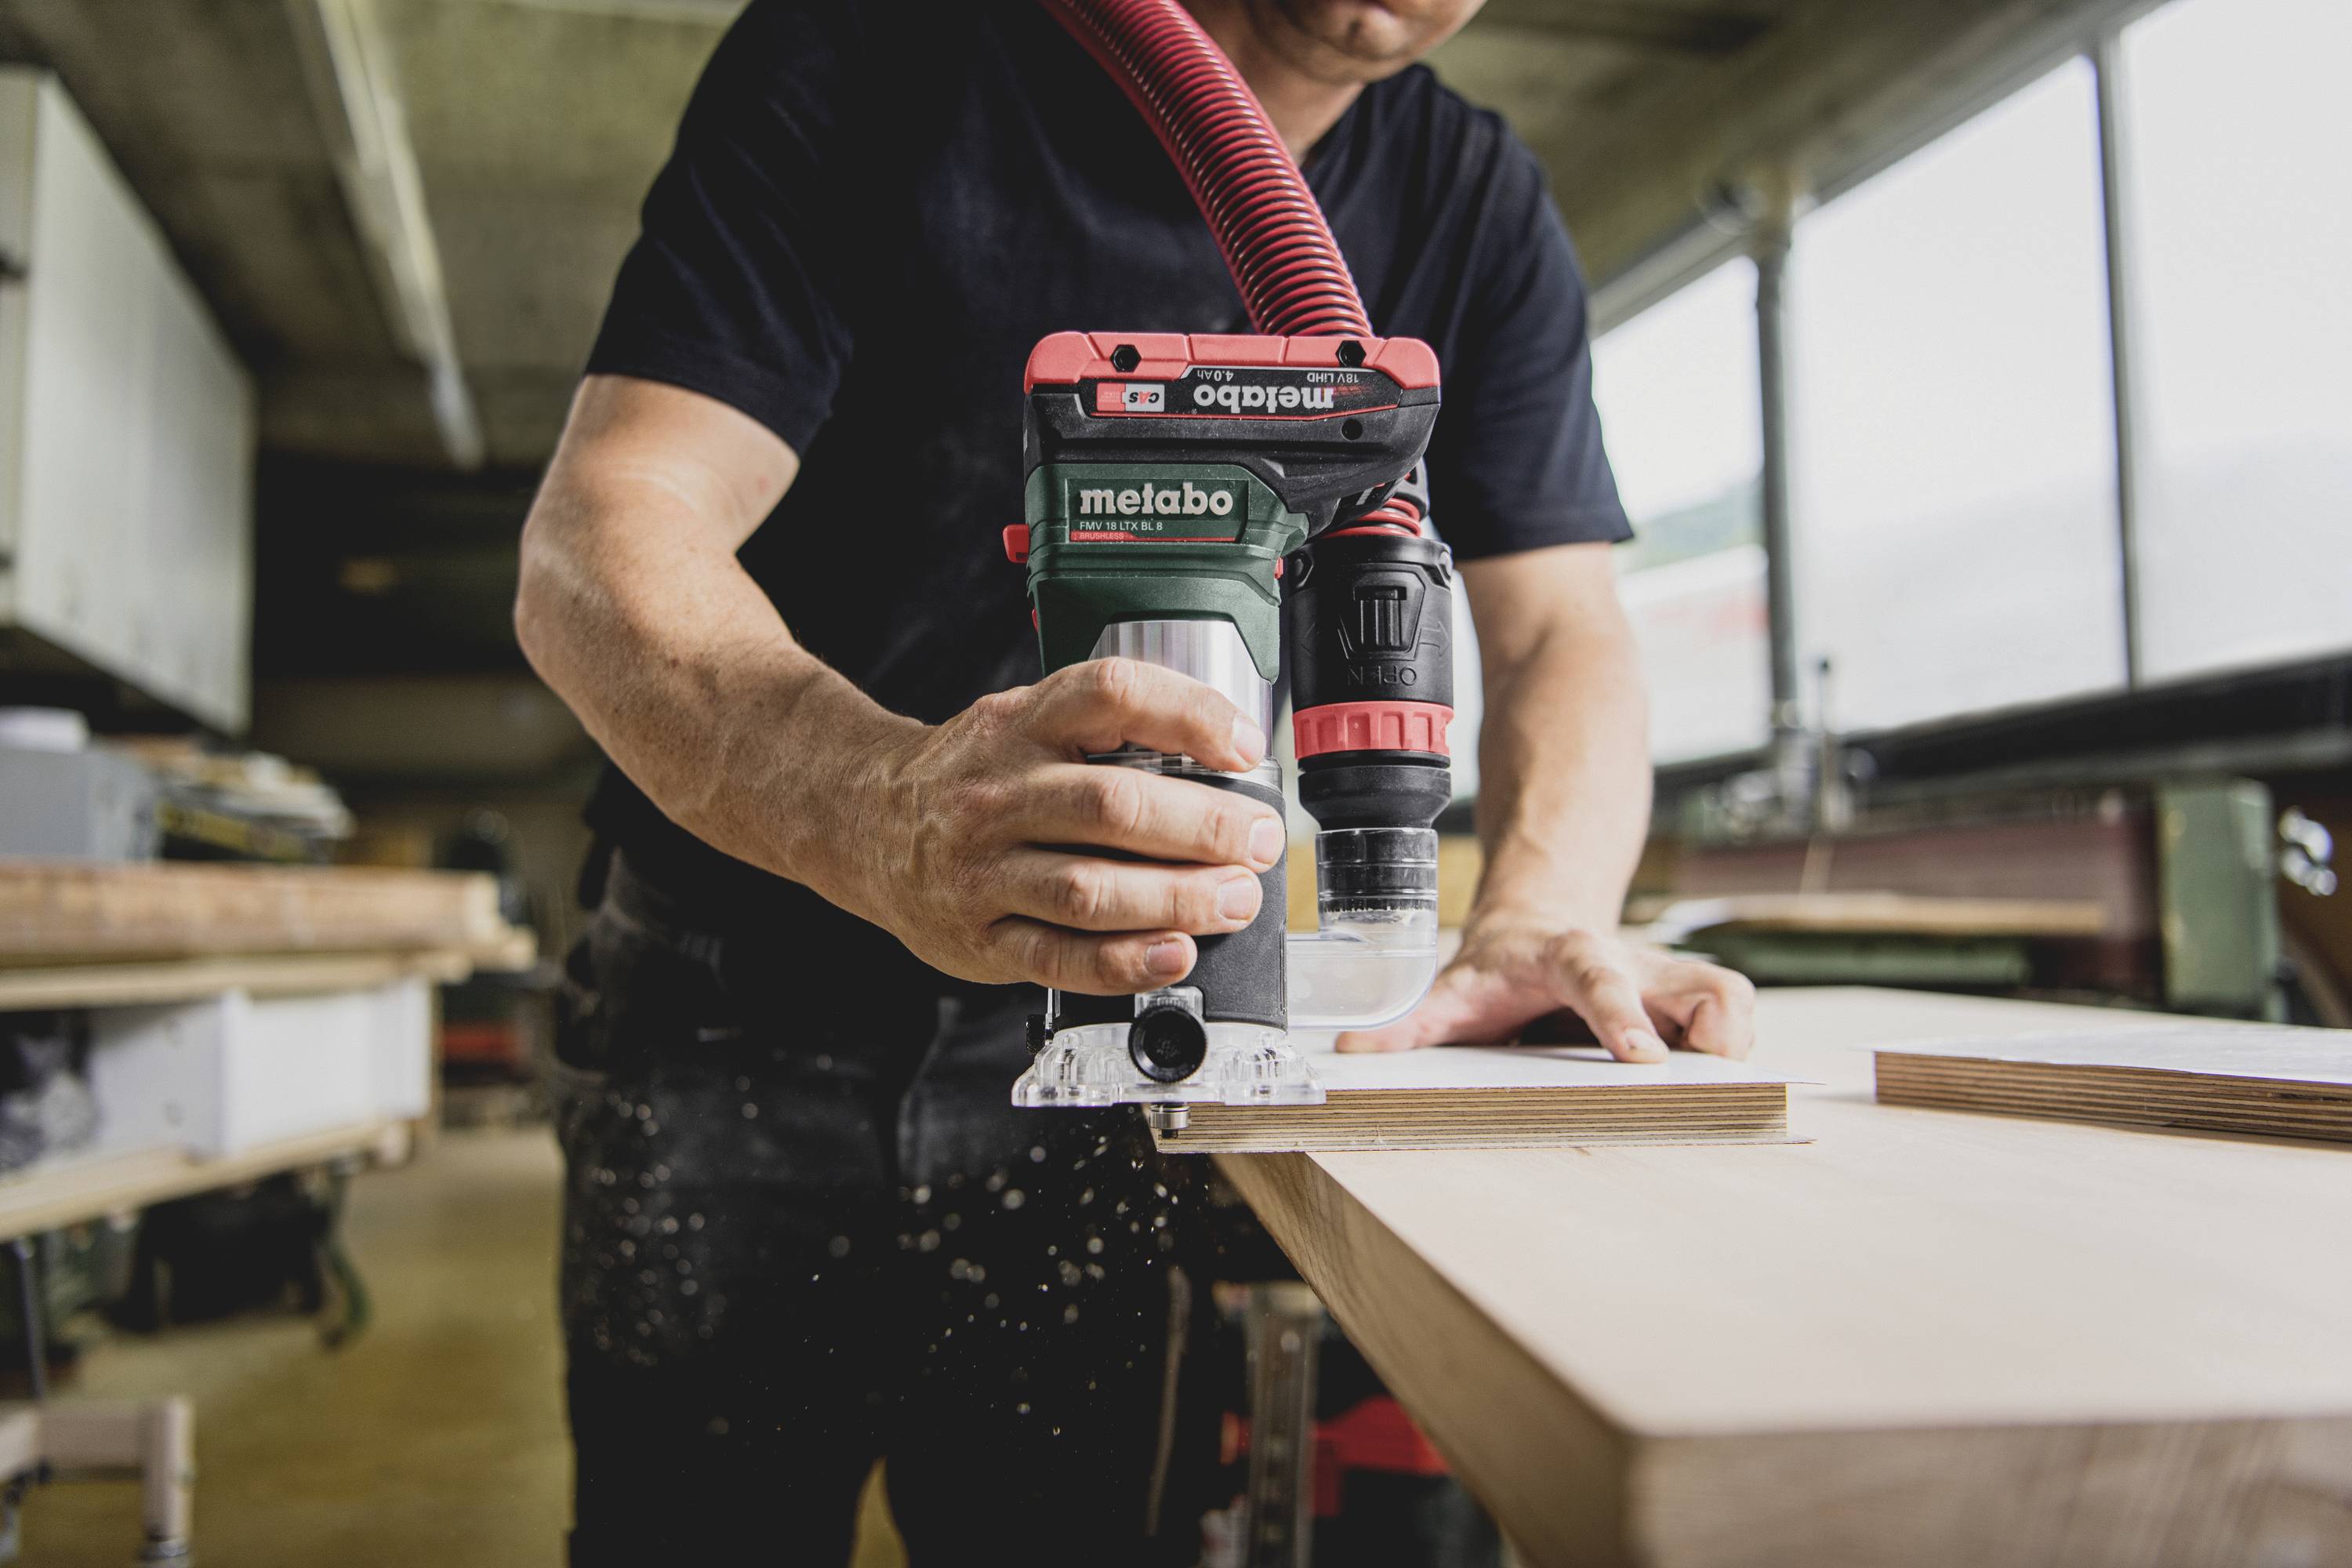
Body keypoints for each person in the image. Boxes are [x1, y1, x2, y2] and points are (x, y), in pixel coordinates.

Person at [514, 0, 1759, 1561]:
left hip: (1129, 1007)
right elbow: (604, 532)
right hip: (736, 991)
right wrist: (883, 807)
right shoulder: (877, 53)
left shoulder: (1468, 198)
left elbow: (1562, 621)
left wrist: (1533, 913)